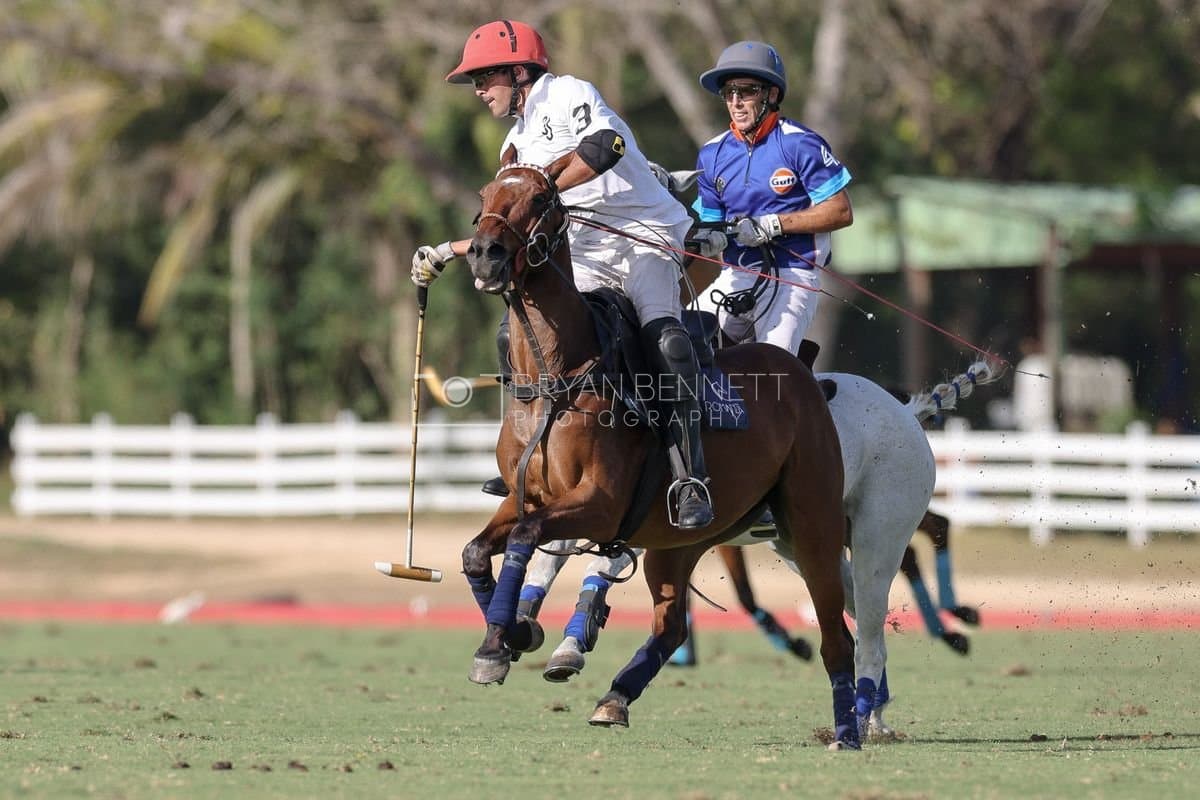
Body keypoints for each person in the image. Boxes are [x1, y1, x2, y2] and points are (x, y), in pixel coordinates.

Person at [410, 20, 715, 529]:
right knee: (513, 333)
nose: (479, 89)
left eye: (485, 77)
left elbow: (609, 145)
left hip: (644, 238)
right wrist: (448, 250)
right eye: (476, 81)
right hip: (585, 252)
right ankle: (527, 453)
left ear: (519, 71)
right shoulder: (513, 145)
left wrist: (548, 186)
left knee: (667, 342)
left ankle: (689, 474)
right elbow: (508, 225)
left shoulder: (568, 93)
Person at [692, 41, 854, 355]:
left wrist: (774, 224)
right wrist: (710, 240)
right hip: (737, 276)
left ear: (772, 95)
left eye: (747, 91)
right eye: (729, 93)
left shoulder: (800, 144)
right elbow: (711, 224)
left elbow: (841, 211)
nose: (736, 103)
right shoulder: (711, 154)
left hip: (794, 276)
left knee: (770, 365)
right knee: (676, 343)